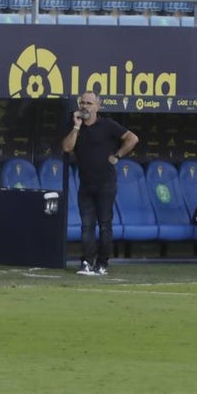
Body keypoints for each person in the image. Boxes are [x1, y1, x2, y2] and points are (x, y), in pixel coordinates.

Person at [61, 91, 139, 276]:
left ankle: (102, 263)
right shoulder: (75, 126)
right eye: (82, 103)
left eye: (89, 103)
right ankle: (87, 262)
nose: (84, 106)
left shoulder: (108, 125)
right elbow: (66, 147)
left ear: (98, 106)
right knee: (87, 225)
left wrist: (118, 155)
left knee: (105, 225)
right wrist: (76, 128)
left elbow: (133, 138)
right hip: (86, 184)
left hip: (106, 184)